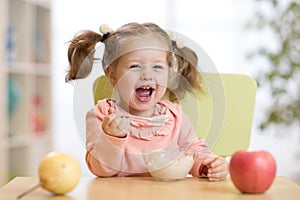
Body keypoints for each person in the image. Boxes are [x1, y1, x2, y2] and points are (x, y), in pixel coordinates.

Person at [65, 22, 228, 181]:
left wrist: (207, 164)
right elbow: (100, 170)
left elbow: (194, 149)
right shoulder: (102, 115)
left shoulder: (174, 116)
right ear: (113, 76)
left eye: (157, 67)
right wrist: (111, 138)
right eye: (135, 66)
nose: (147, 75)